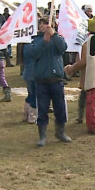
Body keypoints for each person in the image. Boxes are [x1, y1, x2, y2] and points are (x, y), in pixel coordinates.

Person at [65, 17, 95, 135]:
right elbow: (84, 62)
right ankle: (93, 125)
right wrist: (71, 68)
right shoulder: (92, 41)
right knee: (93, 104)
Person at [30, 17, 71, 147]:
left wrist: (54, 36)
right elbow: (33, 54)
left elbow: (63, 48)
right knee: (42, 108)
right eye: (41, 24)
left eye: (46, 24)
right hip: (41, 79)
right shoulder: (35, 40)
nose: (44, 26)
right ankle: (42, 136)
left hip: (56, 79)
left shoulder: (57, 37)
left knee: (60, 107)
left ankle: (60, 131)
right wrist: (43, 42)